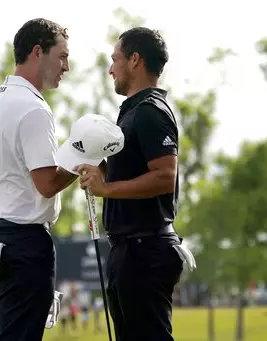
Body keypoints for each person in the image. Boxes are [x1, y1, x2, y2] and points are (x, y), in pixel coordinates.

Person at [73, 27, 196, 341]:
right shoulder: (131, 113)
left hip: (145, 252)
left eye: (115, 59)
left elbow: (165, 177)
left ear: (135, 60)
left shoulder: (150, 113)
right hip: (131, 252)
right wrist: (101, 169)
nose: (111, 68)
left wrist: (106, 189)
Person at [0, 18, 78, 341]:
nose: (66, 67)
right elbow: (46, 184)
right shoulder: (33, 108)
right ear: (37, 52)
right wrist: (84, 156)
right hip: (22, 244)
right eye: (61, 56)